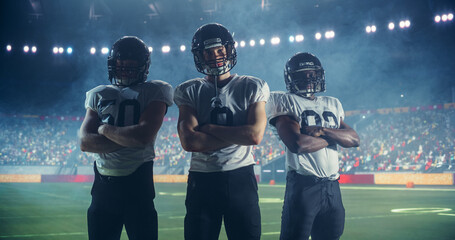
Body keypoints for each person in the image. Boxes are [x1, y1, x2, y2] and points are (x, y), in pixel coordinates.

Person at [174, 23, 270, 240]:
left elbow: (254, 136)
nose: (215, 56)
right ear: (200, 55)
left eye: (219, 50)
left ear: (229, 50)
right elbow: (189, 141)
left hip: (240, 178)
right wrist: (238, 134)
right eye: (208, 52)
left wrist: (209, 129)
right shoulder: (188, 90)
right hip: (202, 179)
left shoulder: (252, 86)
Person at [79, 36, 173, 240]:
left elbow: (142, 137)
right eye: (120, 66)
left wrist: (103, 129)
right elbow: (85, 142)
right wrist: (125, 138)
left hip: (138, 188)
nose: (124, 71)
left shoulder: (155, 90)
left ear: (143, 67)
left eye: (131, 67)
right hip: (103, 191)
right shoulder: (97, 93)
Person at [266, 52, 360, 240]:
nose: (309, 79)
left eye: (312, 74)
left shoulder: (332, 103)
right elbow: (298, 144)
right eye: (302, 74)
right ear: (291, 78)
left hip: (333, 186)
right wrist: (335, 137)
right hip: (304, 185)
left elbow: (354, 139)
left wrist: (322, 131)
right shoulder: (283, 100)